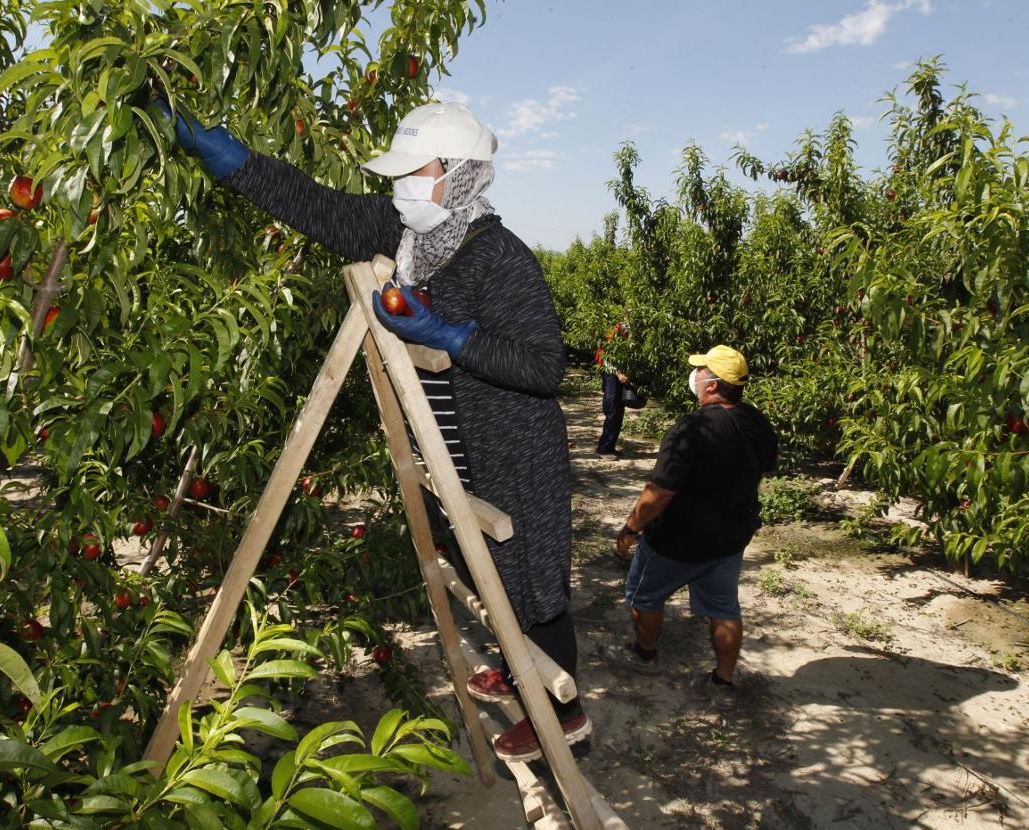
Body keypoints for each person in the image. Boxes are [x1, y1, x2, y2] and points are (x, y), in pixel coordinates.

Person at [153, 99, 588, 761]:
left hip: (512, 449)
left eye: (416, 171)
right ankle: (515, 668)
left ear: (461, 173)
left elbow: (544, 366)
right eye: (399, 173)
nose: (401, 186)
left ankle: (567, 714)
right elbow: (317, 206)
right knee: (481, 562)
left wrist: (452, 336)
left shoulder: (501, 258)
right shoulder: (404, 235)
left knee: (532, 578)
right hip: (451, 449)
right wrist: (234, 161)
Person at [613, 345, 777, 691]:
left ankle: (644, 655)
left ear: (713, 384)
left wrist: (631, 528)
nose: (696, 375)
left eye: (701, 370)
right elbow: (760, 469)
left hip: (677, 541)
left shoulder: (691, 428)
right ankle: (723, 678)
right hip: (730, 538)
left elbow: (660, 492)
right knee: (724, 608)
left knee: (644, 598)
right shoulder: (758, 422)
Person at [594, 322, 629, 457]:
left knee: (619, 409)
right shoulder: (617, 331)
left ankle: (610, 446)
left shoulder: (627, 332)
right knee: (612, 407)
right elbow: (606, 357)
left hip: (617, 374)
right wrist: (618, 373)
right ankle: (603, 448)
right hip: (610, 374)